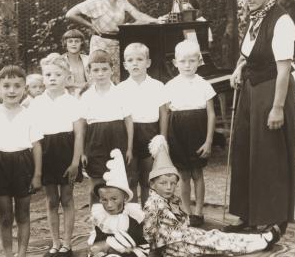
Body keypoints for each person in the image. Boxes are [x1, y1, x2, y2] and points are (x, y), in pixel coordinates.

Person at [226, 0, 295, 233]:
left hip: (271, 92)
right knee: (245, 150)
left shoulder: (282, 21)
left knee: (269, 154)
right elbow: (249, 54)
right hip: (251, 91)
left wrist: (277, 107)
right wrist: (238, 69)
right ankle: (247, 214)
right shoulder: (257, 19)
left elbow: (283, 69)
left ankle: (273, 218)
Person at [143, 135, 282, 257]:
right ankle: (262, 242)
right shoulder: (152, 204)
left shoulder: (171, 199)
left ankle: (259, 239)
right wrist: (151, 250)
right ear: (153, 184)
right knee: (215, 243)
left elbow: (180, 219)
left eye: (172, 183)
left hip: (183, 235)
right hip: (174, 245)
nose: (169, 187)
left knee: (214, 235)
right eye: (163, 183)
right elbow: (148, 231)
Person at [0, 65, 43, 257]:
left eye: (17, 86)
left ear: (24, 89)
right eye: (6, 86)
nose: (11, 90)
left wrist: (36, 175)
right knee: (5, 215)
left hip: (23, 164)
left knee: (23, 214)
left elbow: (36, 146)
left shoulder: (30, 114)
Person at [30, 54, 84, 257]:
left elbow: (79, 133)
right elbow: (34, 137)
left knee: (67, 198)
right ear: (43, 78)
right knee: (51, 199)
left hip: (66, 151)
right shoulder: (36, 104)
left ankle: (68, 244)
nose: (52, 78)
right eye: (48, 74)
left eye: (58, 74)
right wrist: (37, 166)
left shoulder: (72, 102)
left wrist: (75, 162)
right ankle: (54, 243)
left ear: (67, 77)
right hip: (45, 152)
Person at [66, 0, 158, 83]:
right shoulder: (96, 1)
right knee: (100, 77)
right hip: (100, 45)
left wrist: (155, 20)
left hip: (117, 44)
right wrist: (90, 25)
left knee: (116, 78)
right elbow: (70, 14)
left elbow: (137, 14)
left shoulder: (122, 0)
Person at [164, 40, 216, 227]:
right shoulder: (169, 85)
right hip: (177, 134)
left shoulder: (204, 85)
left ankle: (199, 211)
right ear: (175, 63)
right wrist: (165, 140)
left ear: (199, 61)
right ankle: (186, 212)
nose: (187, 65)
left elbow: (211, 114)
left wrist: (209, 141)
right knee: (183, 175)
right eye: (183, 61)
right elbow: (166, 113)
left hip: (198, 133)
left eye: (192, 61)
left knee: (197, 173)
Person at [85, 149, 149, 257]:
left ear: (125, 197)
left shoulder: (133, 215)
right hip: (107, 253)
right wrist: (96, 247)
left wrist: (106, 245)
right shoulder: (101, 215)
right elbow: (98, 236)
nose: (109, 204)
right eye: (104, 200)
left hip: (132, 251)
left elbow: (133, 238)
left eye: (114, 199)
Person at [80, 50, 133, 205]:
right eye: (96, 70)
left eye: (104, 69)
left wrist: (129, 148)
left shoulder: (121, 93)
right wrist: (83, 151)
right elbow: (82, 126)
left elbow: (129, 121)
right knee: (96, 186)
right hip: (95, 142)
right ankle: (96, 223)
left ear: (112, 69)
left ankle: (119, 222)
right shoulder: (86, 96)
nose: (101, 74)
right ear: (89, 72)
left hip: (117, 141)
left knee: (119, 184)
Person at [118, 43, 166, 206]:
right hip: (129, 136)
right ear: (125, 65)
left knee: (148, 180)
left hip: (150, 133)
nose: (135, 63)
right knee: (131, 180)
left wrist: (162, 139)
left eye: (139, 59)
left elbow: (163, 114)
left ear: (148, 62)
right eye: (130, 60)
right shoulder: (120, 89)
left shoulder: (158, 86)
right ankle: (133, 219)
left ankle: (148, 217)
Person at [61, 29, 89, 97]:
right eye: (70, 41)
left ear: (81, 43)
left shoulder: (88, 59)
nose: (73, 44)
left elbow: (94, 79)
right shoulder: (60, 61)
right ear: (65, 43)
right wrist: (79, 85)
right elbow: (59, 82)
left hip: (87, 94)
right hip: (67, 95)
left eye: (77, 41)